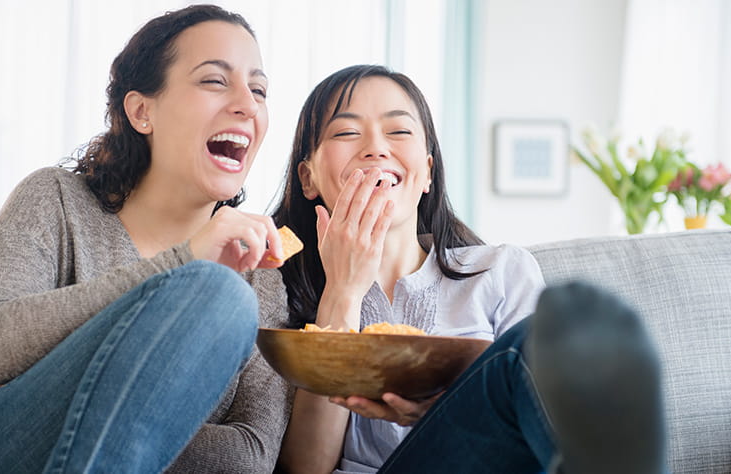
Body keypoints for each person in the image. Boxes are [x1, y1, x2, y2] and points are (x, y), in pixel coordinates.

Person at [0, 5, 292, 473]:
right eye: (214, 80)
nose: (248, 105)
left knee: (226, 295)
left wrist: (60, 389)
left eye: (259, 90)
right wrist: (184, 261)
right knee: (218, 293)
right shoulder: (55, 198)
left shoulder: (262, 275)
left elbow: (247, 457)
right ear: (142, 111)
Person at [270, 64, 666, 474]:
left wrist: (448, 408)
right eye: (346, 132)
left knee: (548, 336)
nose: (376, 148)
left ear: (426, 172)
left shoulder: (500, 271)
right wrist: (343, 290)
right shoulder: (280, 289)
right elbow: (307, 467)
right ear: (308, 177)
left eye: (399, 131)